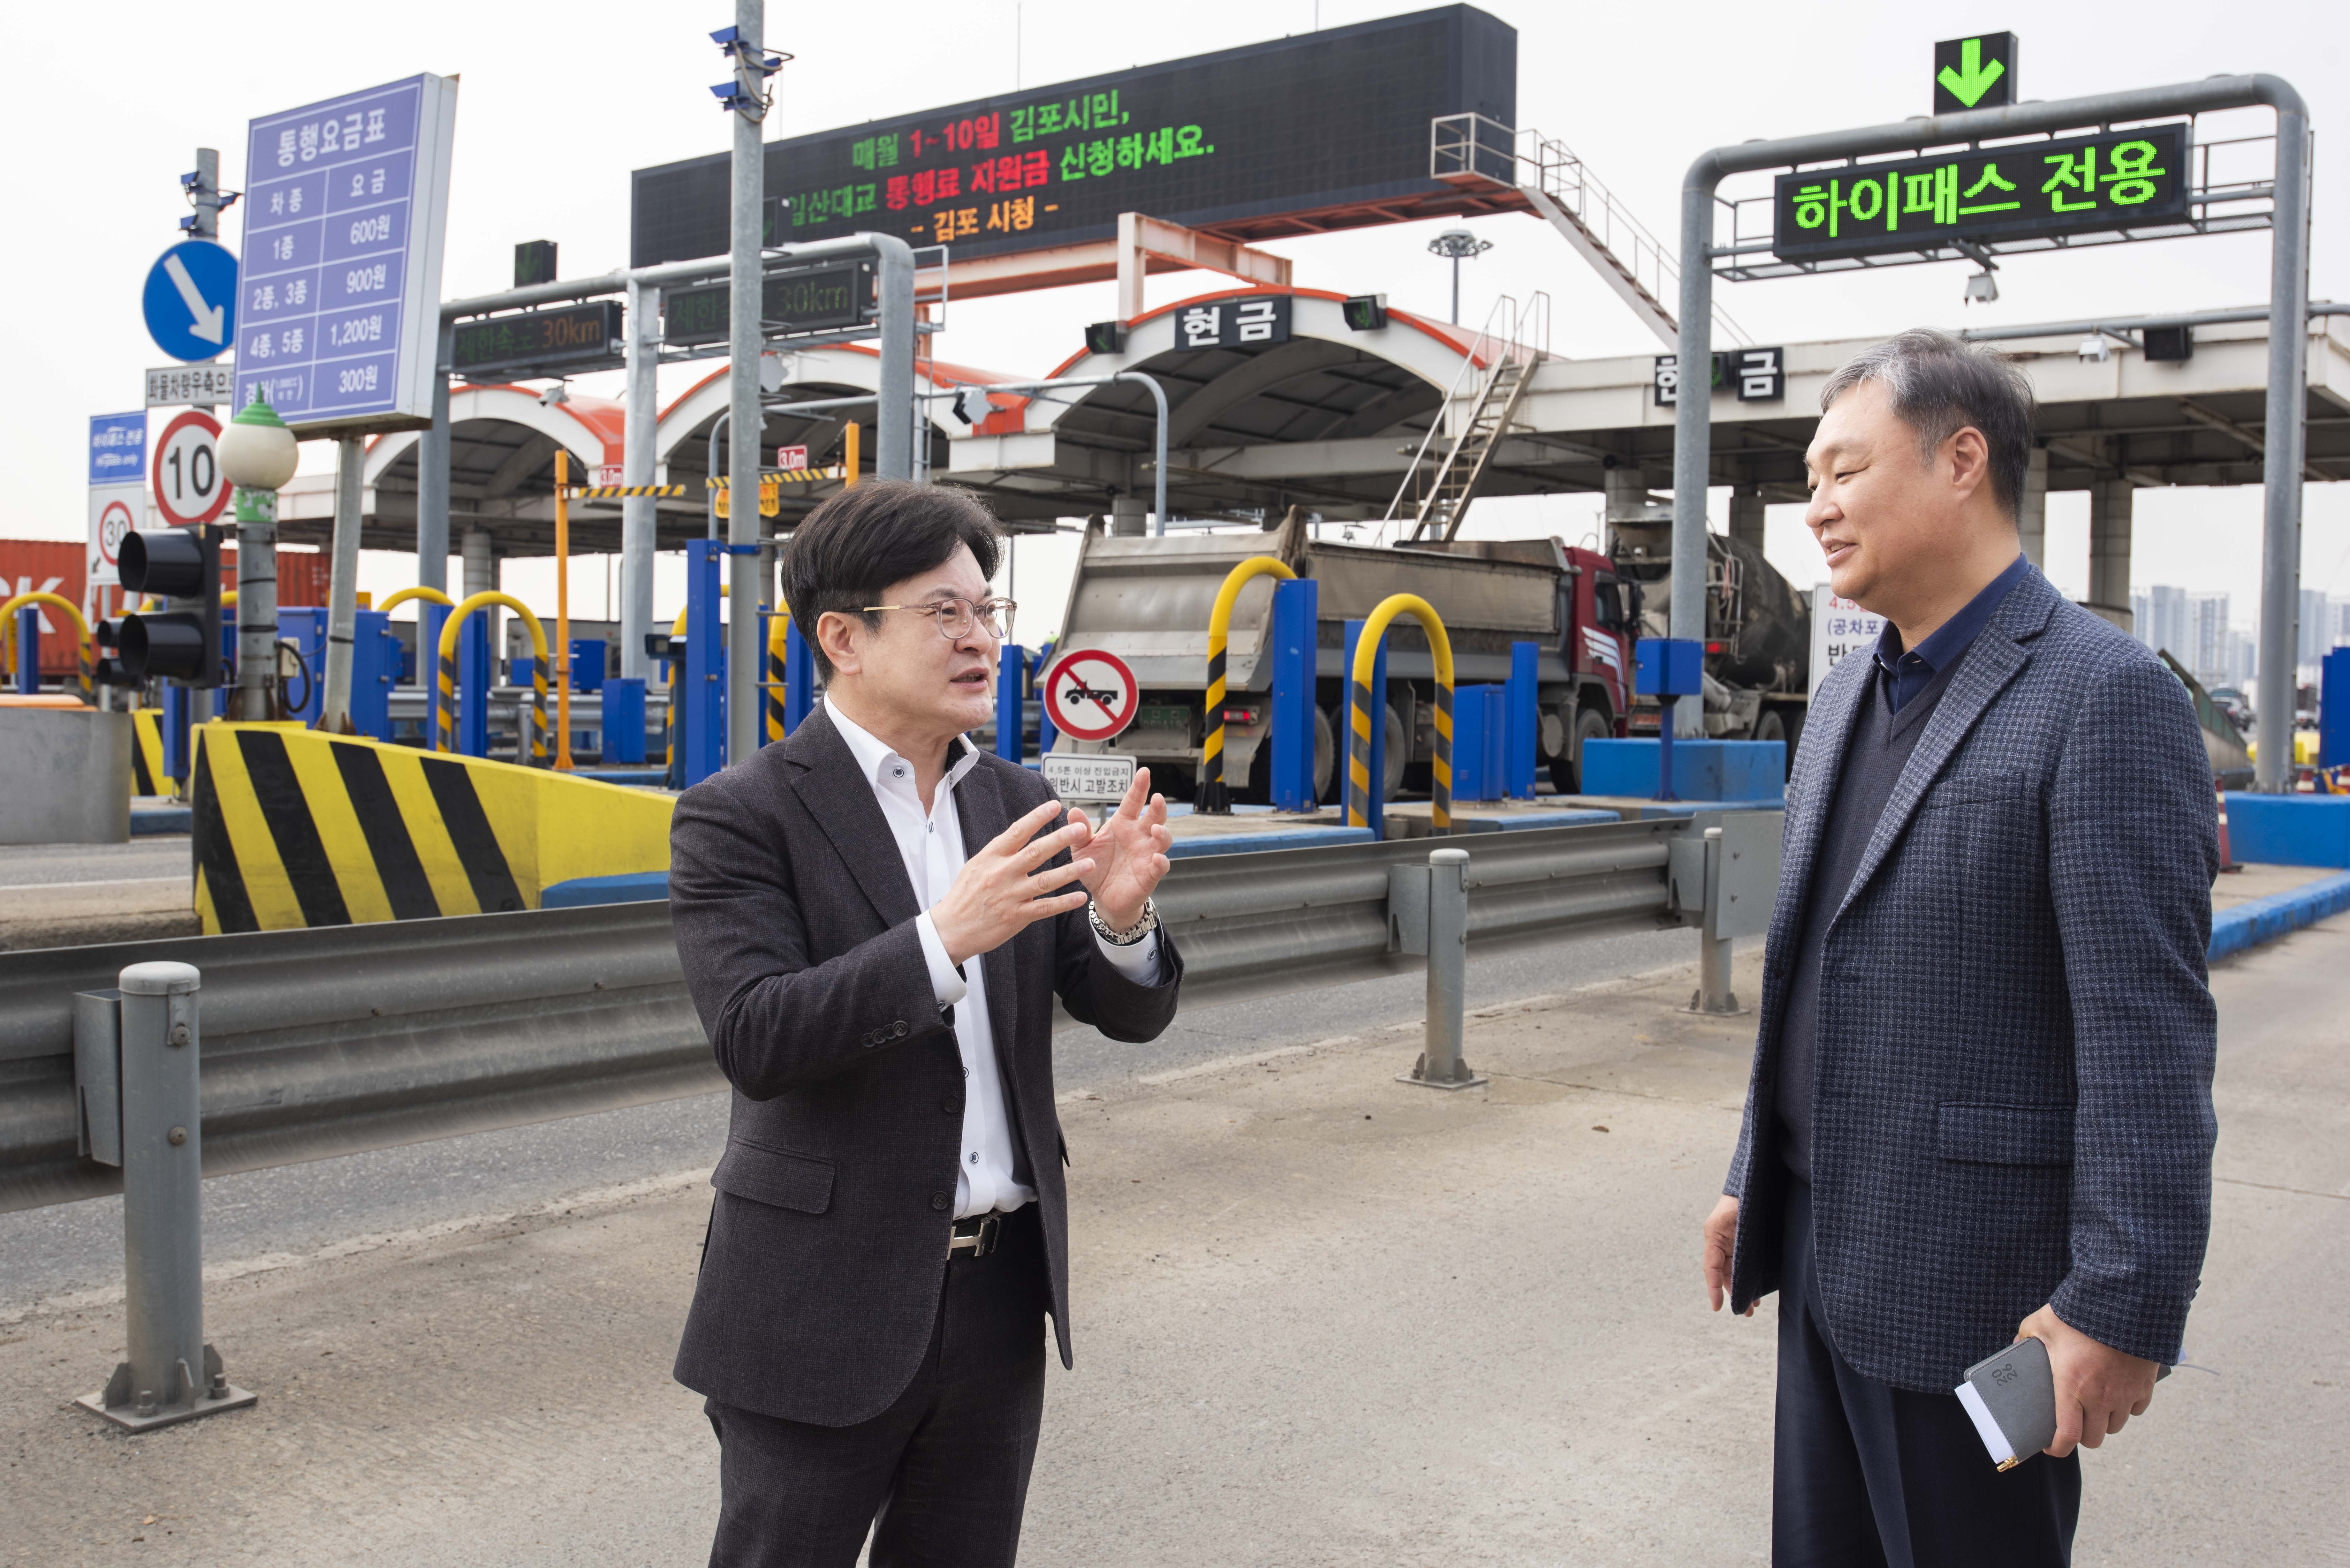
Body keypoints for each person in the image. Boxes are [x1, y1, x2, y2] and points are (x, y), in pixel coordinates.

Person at [1699, 329, 2217, 1564]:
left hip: (1981, 1288)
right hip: (1824, 1256)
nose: (1815, 510)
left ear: (1962, 461)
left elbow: (2147, 1039)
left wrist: (2123, 1305)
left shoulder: (2103, 695)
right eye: (1809, 481)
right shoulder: (1840, 699)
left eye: (1843, 472)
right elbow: (1822, 966)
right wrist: (1749, 1167)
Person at [667, 479, 1182, 1567]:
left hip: (1000, 1294)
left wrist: (1123, 922)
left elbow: (1119, 1010)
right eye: (943, 612)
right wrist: (942, 940)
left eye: (987, 610)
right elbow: (759, 1037)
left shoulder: (1013, 799)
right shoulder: (741, 813)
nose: (979, 637)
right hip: (821, 1301)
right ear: (842, 636)